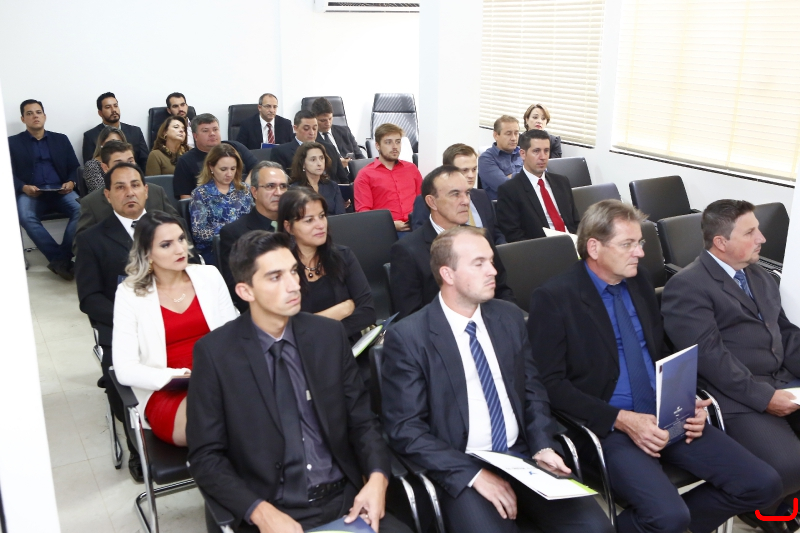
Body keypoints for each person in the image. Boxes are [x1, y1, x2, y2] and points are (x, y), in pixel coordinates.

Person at [528, 200, 782, 533]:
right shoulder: (555, 297)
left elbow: (660, 351)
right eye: (627, 244)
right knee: (668, 517)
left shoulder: (638, 282)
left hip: (667, 413)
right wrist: (622, 419)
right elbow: (551, 384)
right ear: (594, 247)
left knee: (763, 484)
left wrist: (685, 397)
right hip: (609, 426)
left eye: (640, 242)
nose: (640, 252)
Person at [382, 225, 613, 533]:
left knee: (596, 528)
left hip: (522, 454)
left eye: (490, 261)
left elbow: (533, 391)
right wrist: (472, 474)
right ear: (448, 274)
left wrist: (543, 444)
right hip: (461, 464)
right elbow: (405, 428)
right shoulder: (410, 337)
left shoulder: (508, 317)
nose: (493, 271)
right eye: (479, 263)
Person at [186, 231, 412, 533]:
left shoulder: (327, 336)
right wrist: (259, 512)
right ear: (245, 291)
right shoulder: (216, 354)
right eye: (275, 277)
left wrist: (376, 478)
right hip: (272, 509)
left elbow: (362, 422)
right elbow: (205, 456)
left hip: (344, 501)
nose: (294, 285)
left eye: (293, 271)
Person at [663, 199, 800, 529]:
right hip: (736, 397)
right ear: (721, 242)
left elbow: (784, 332)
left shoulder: (759, 275)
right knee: (791, 465)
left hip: (779, 380)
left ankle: (778, 507)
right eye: (750, 232)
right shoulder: (688, 287)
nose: (761, 239)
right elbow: (712, 359)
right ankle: (762, 508)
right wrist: (765, 398)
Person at [113, 210, 237, 447]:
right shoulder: (129, 294)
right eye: (166, 245)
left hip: (220, 379)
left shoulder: (209, 276)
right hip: (168, 389)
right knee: (215, 420)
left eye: (181, 239)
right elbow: (125, 369)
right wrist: (173, 376)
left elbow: (233, 339)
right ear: (147, 253)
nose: (180, 249)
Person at [75, 162, 154, 480]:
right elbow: (90, 298)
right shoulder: (92, 239)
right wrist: (131, 321)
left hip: (170, 320)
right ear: (107, 195)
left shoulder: (168, 227)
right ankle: (138, 447)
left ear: (146, 190)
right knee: (122, 380)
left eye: (135, 185)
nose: (129, 192)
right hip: (121, 329)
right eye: (120, 187)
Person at [390, 165, 514, 320]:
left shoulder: (480, 237)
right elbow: (410, 316)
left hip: (490, 321)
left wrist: (506, 321)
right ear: (432, 202)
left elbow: (502, 289)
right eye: (455, 194)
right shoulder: (408, 250)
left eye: (467, 193)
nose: (466, 201)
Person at [278, 188, 375, 338]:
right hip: (305, 351)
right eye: (309, 220)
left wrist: (315, 325)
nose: (320, 225)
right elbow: (291, 330)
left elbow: (368, 312)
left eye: (322, 216)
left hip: (350, 345)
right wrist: (344, 309)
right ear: (289, 227)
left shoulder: (343, 255)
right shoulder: (279, 269)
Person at [9, 99, 81, 280]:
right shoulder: (12, 143)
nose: (35, 116)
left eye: (38, 112)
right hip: (31, 193)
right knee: (25, 216)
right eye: (29, 113)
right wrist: (23, 187)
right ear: (23, 119)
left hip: (60, 191)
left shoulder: (61, 139)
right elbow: (7, 172)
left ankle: (60, 260)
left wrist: (71, 182)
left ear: (45, 116)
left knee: (82, 210)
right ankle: (61, 259)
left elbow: (74, 166)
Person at [74, 141, 178, 251]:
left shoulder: (156, 192)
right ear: (105, 168)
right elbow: (80, 245)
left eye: (130, 161)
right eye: (119, 163)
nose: (127, 167)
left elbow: (178, 224)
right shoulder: (91, 203)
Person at [219, 161, 288, 311]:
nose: (278, 192)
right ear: (254, 192)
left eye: (283, 186)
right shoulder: (234, 233)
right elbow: (238, 287)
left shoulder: (296, 225)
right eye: (270, 186)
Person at [410, 143, 506, 244]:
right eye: (464, 170)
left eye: (474, 169)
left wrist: (501, 249)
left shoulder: (482, 195)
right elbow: (422, 239)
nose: (471, 175)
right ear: (448, 170)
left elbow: (495, 231)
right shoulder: (427, 200)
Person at [496, 129, 579, 242]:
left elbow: (575, 222)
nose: (543, 157)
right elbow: (513, 235)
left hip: (573, 243)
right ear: (523, 154)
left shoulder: (562, 182)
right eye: (536, 151)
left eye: (546, 151)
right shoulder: (510, 190)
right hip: (541, 247)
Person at [189, 143, 254, 265]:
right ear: (211, 167)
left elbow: (252, 219)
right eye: (223, 169)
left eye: (233, 169)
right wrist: (232, 230)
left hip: (245, 246)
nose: (229, 174)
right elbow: (199, 233)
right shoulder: (200, 194)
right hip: (215, 250)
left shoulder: (244, 190)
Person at [353, 123, 422, 234]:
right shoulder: (365, 175)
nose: (395, 147)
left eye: (398, 142)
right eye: (388, 142)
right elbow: (364, 213)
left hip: (417, 227)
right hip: (385, 230)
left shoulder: (411, 168)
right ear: (377, 146)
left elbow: (422, 200)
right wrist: (390, 224)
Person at [173, 113, 257, 199]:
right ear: (195, 136)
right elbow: (185, 198)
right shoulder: (185, 161)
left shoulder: (235, 147)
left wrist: (245, 189)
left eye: (215, 129)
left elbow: (257, 168)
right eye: (205, 131)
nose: (212, 133)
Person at [269, 110, 349, 184]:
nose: (312, 132)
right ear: (295, 128)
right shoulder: (281, 152)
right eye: (306, 129)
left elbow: (343, 180)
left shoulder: (329, 148)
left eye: (315, 128)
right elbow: (281, 183)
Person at [82, 92, 148, 168]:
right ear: (100, 113)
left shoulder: (135, 131)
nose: (113, 110)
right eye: (108, 107)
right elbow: (90, 166)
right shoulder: (90, 136)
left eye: (116, 106)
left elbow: (145, 161)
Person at [289, 142, 345, 216]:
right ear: (303, 164)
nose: (319, 163)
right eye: (313, 160)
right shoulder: (294, 190)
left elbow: (341, 216)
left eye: (321, 158)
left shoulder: (332, 186)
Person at [311, 97, 364, 173]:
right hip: (332, 176)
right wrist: (337, 165)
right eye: (323, 120)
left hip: (354, 173)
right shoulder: (312, 139)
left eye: (330, 118)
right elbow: (315, 167)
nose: (328, 123)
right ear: (314, 119)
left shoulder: (345, 131)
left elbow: (360, 157)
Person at [477, 115, 522, 201]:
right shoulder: (486, 159)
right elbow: (506, 188)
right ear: (496, 135)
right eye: (508, 134)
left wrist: (511, 176)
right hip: (504, 206)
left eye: (516, 133)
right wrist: (526, 176)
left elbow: (542, 177)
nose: (513, 138)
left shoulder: (524, 153)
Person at [84, 126, 126, 192]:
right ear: (101, 143)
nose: (116, 145)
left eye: (119, 142)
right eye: (112, 142)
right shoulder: (91, 166)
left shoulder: (126, 161)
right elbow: (101, 192)